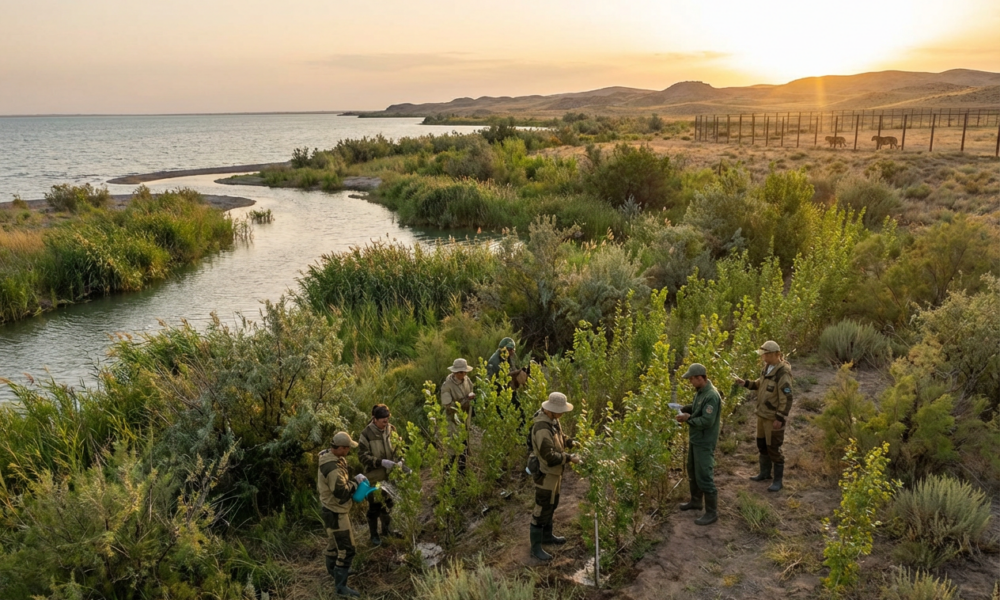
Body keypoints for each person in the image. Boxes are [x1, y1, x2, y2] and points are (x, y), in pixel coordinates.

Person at [735, 340, 793, 492]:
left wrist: (780, 418)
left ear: (777, 354)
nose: (764, 358)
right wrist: (745, 383)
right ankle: (765, 473)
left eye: (767, 355)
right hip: (762, 414)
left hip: (773, 417)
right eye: (763, 355)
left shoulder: (782, 373)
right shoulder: (768, 368)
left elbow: (787, 398)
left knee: (774, 447)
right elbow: (760, 383)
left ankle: (778, 481)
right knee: (762, 445)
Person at [529, 392, 581, 561]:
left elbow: (559, 439)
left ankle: (547, 537)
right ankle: (536, 548)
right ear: (551, 410)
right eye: (560, 411)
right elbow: (550, 456)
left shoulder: (552, 420)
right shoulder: (541, 428)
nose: (562, 414)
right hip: (546, 473)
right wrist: (569, 458)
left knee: (552, 504)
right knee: (542, 508)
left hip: (555, 473)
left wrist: (570, 442)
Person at [317, 431, 367, 597]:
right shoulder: (332, 468)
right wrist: (356, 482)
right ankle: (341, 587)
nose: (348, 451)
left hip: (329, 509)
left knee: (334, 544)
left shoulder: (331, 457)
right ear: (339, 448)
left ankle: (334, 571)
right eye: (346, 448)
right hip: (336, 512)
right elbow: (342, 492)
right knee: (347, 549)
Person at [676, 363, 722, 526]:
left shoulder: (711, 395)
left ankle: (711, 512)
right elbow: (697, 408)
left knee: (704, 475)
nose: (690, 382)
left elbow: (707, 421)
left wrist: (688, 418)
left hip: (704, 441)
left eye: (692, 379)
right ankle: (696, 501)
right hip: (696, 439)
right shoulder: (700, 393)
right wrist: (684, 408)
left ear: (701, 378)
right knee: (693, 471)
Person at [357, 404, 401, 547]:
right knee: (374, 506)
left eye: (387, 420)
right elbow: (362, 457)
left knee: (388, 504)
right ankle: (374, 536)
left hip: (390, 476)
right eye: (383, 421)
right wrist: (380, 462)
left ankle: (387, 531)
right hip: (374, 477)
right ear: (374, 419)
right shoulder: (366, 434)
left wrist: (400, 460)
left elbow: (399, 447)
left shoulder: (391, 429)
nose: (386, 423)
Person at [487, 337, 528, 418]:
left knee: (520, 410)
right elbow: (496, 379)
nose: (512, 351)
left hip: (509, 389)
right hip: (499, 392)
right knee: (502, 415)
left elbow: (512, 369)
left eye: (513, 349)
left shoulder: (507, 357)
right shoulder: (494, 361)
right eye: (509, 349)